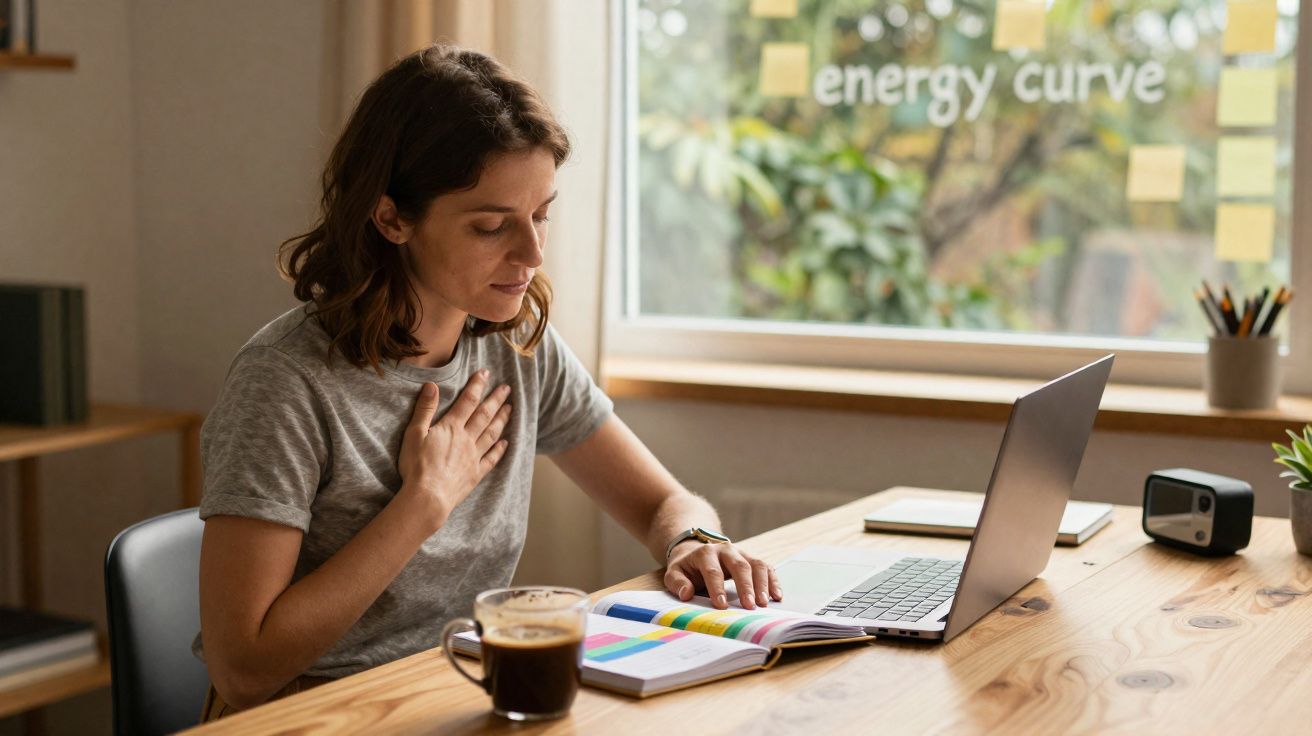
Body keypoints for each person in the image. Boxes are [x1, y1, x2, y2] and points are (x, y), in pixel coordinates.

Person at [194, 43, 782, 719]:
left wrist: (696, 543)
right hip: (315, 715)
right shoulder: (285, 383)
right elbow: (243, 672)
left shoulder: (516, 348)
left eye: (541, 216)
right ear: (392, 219)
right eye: (492, 225)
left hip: (452, 695)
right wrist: (423, 504)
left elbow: (661, 506)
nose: (532, 254)